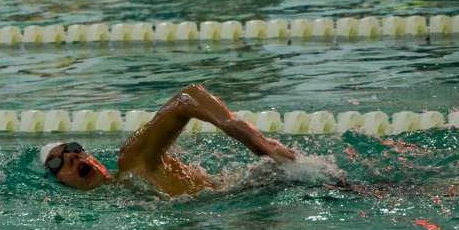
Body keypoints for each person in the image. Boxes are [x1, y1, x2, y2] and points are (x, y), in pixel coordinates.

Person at [40, 83, 297, 196]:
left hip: (278, 185)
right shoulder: (121, 198)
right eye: (56, 164)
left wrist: (229, 124)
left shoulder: (132, 161)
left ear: (92, 157)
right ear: (58, 184)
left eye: (73, 149)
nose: (71, 157)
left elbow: (187, 98)